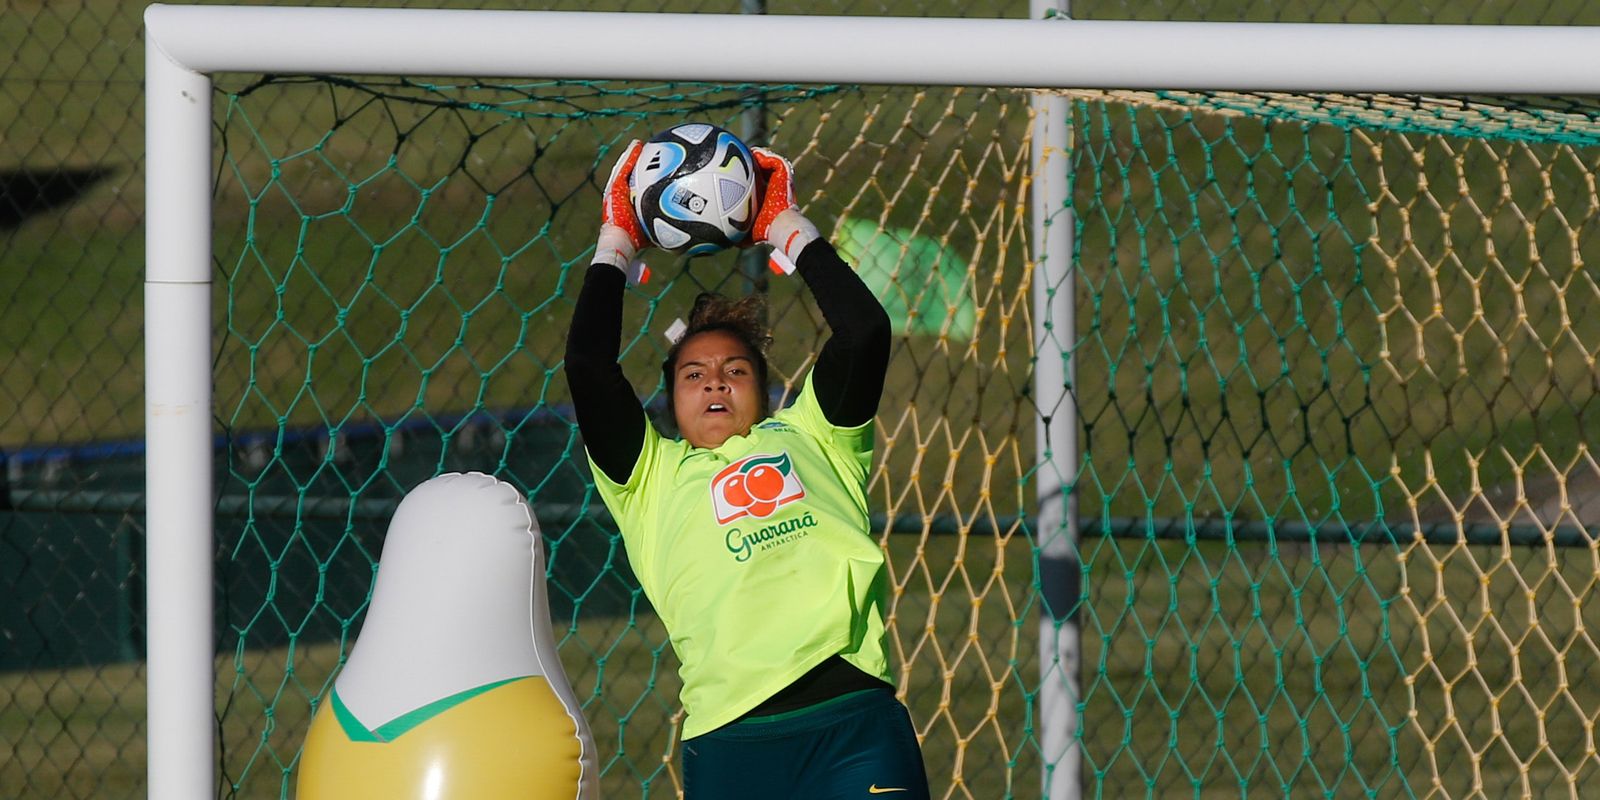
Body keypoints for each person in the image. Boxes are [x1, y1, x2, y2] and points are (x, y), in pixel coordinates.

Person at [564, 138, 930, 799]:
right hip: (731, 745)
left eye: (735, 371)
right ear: (669, 400)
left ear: (764, 391)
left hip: (854, 724)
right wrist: (617, 238)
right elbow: (588, 366)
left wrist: (783, 223)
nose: (714, 383)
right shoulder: (649, 477)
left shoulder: (816, 434)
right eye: (693, 374)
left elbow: (864, 333)